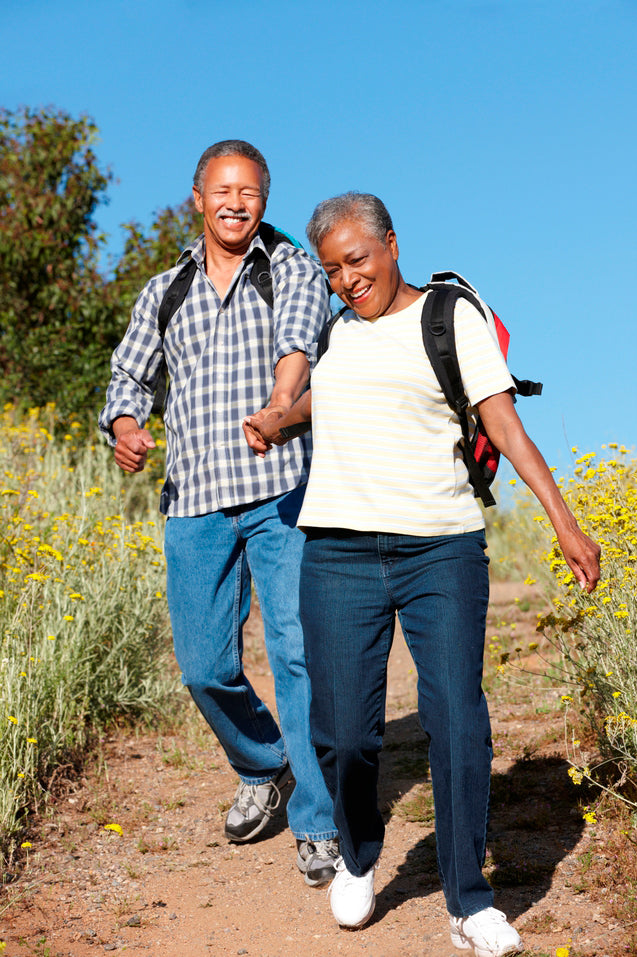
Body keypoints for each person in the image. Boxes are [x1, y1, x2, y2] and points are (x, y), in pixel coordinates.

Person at [243, 192, 601, 955]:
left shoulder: (450, 317)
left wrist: (562, 520)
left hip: (440, 546)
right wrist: (279, 418)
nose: (347, 279)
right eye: (334, 269)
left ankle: (469, 899)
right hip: (337, 551)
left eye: (358, 260)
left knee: (458, 722)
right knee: (342, 734)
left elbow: (502, 420)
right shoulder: (337, 333)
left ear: (392, 244)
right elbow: (330, 397)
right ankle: (360, 851)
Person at [98, 140, 339, 887]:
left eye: (251, 192)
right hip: (196, 499)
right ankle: (266, 763)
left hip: (283, 489)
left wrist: (279, 403)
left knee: (299, 654)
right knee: (204, 665)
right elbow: (129, 374)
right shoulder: (164, 288)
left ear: (264, 202)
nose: (236, 202)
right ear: (197, 198)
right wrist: (125, 428)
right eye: (223, 190)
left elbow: (299, 344)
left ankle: (320, 823)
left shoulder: (291, 267)